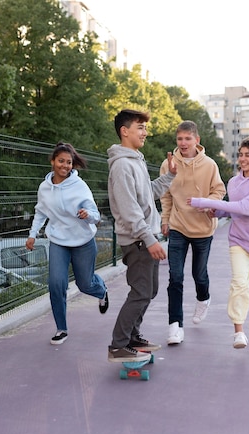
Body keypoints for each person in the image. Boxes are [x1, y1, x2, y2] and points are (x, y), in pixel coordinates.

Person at [188, 138, 249, 348]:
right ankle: (238, 332)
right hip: (238, 239)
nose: (242, 158)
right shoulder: (233, 182)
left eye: (248, 155)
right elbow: (234, 210)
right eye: (240, 154)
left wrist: (204, 201)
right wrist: (216, 211)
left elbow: (245, 207)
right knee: (239, 283)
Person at [107, 109, 177, 363]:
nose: (145, 132)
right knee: (140, 292)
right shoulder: (122, 166)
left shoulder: (136, 160)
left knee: (149, 291)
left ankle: (132, 337)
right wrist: (149, 240)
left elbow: (149, 194)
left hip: (145, 237)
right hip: (137, 241)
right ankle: (118, 345)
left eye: (145, 128)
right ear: (124, 131)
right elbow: (129, 210)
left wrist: (170, 175)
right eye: (140, 127)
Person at [26, 142, 108, 345]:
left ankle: (102, 291)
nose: (65, 165)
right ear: (53, 162)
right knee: (56, 283)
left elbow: (96, 215)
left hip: (83, 241)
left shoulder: (79, 186)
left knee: (85, 284)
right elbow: (40, 212)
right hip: (58, 241)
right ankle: (61, 329)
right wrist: (32, 234)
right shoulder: (44, 188)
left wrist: (87, 214)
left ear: (73, 164)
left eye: (69, 162)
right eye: (61, 161)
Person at [160, 120, 226, 345]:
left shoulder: (210, 165)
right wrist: (165, 219)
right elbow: (165, 195)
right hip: (178, 226)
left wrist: (210, 204)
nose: (183, 142)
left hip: (203, 229)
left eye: (188, 138)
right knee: (175, 277)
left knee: (199, 275)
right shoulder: (168, 164)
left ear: (197, 140)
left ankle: (203, 298)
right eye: (180, 139)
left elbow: (219, 190)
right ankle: (175, 326)